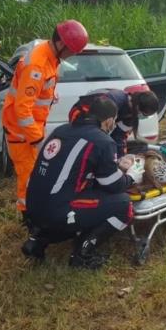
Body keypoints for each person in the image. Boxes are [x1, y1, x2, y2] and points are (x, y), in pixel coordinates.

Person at [21, 96, 137, 269]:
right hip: (57, 211)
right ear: (108, 121)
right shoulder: (103, 141)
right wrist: (131, 175)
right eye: (113, 121)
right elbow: (112, 184)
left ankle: (37, 239)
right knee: (124, 205)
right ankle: (82, 254)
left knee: (65, 192)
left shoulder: (60, 130)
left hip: (31, 207)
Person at [2, 20, 89, 214]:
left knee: (34, 171)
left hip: (29, 128)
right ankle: (27, 216)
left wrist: (49, 95)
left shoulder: (49, 54)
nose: (72, 55)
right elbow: (22, 109)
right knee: (27, 175)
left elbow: (38, 89)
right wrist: (37, 138)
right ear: (61, 44)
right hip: (20, 131)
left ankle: (34, 208)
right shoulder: (37, 66)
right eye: (71, 51)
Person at [68, 88, 160, 158]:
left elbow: (119, 137)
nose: (142, 117)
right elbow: (98, 130)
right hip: (81, 112)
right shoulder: (115, 100)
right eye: (144, 114)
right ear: (138, 107)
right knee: (90, 143)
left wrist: (122, 158)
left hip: (99, 122)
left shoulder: (131, 115)